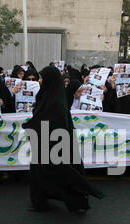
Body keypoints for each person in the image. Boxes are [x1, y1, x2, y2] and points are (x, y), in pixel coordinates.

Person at [22, 66, 103, 214]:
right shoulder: (47, 96)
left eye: (41, 78)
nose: (39, 80)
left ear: (49, 80)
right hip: (43, 145)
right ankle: (40, 203)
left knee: (60, 174)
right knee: (39, 175)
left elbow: (56, 126)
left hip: (54, 147)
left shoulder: (56, 103)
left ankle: (76, 202)